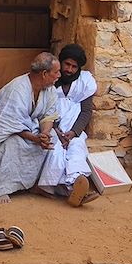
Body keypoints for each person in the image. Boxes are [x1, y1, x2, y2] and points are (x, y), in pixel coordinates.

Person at [0, 52, 61, 204]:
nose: (59, 76)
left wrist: (44, 134)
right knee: (12, 143)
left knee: (53, 139)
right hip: (9, 134)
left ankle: (37, 184)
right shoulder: (18, 89)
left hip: (32, 130)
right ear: (44, 73)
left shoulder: (50, 90)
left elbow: (49, 115)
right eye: (56, 72)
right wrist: (35, 139)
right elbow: (9, 124)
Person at [38, 43, 98, 206]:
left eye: (74, 67)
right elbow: (43, 110)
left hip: (74, 129)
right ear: (61, 62)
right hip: (51, 128)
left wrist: (73, 132)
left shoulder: (84, 82)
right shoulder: (50, 80)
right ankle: (61, 189)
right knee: (55, 149)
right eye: (67, 64)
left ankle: (75, 186)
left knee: (77, 148)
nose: (69, 70)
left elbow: (86, 112)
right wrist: (56, 131)